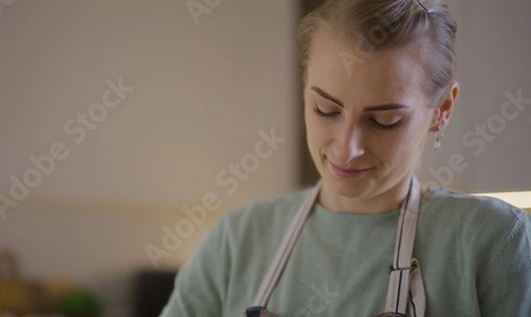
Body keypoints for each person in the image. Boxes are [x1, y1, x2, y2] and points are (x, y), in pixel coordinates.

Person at [159, 0, 531, 316]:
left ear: (442, 110)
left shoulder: (492, 241)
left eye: (384, 121)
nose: (346, 148)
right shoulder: (236, 240)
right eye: (325, 110)